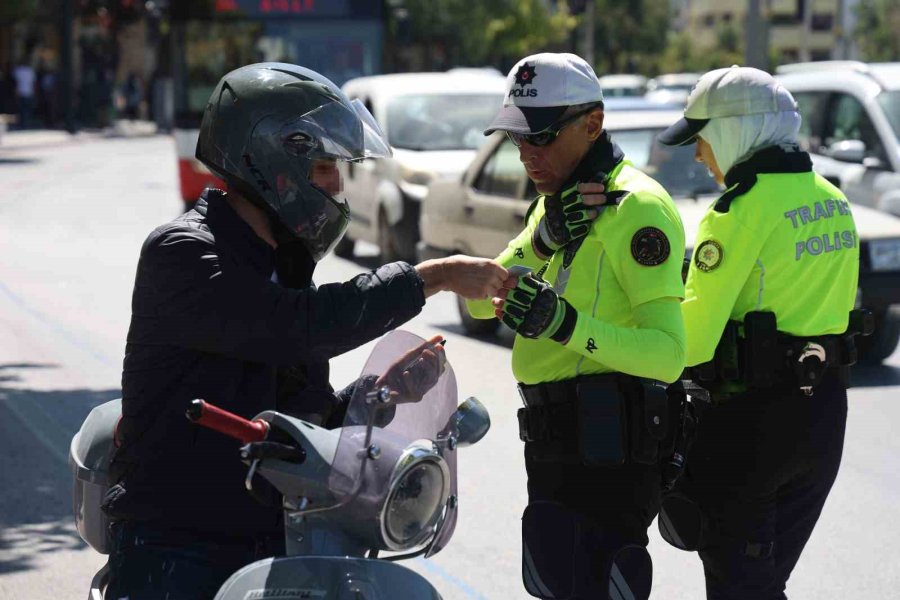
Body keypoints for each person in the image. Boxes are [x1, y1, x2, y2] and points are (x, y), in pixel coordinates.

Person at [102, 62, 507, 599]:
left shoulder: (284, 264)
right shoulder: (184, 253)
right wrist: (431, 278)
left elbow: (302, 413)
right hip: (176, 544)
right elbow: (294, 328)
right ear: (271, 160)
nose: (336, 186)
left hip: (271, 538)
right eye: (322, 168)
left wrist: (376, 398)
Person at [466, 53, 687, 600]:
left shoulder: (638, 208)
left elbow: (667, 354)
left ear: (592, 124)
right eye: (517, 139)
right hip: (554, 444)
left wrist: (563, 324)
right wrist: (540, 241)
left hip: (612, 449)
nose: (526, 155)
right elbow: (476, 303)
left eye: (539, 138)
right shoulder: (554, 205)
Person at [656, 66, 863, 599]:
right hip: (824, 419)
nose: (700, 156)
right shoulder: (833, 202)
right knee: (764, 586)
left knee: (740, 588)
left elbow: (692, 345)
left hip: (752, 428)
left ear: (733, 131)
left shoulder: (737, 212)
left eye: (703, 139)